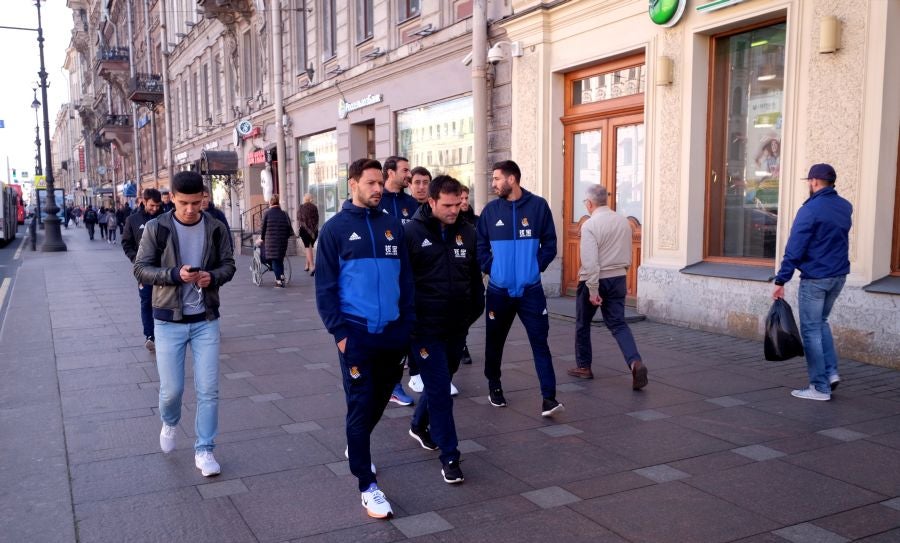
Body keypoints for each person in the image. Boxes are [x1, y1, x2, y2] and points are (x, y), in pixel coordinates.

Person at [316, 158, 414, 518]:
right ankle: (366, 484)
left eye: (379, 184)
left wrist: (406, 327)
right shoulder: (335, 230)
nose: (377, 190)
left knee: (377, 401)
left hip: (392, 335)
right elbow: (325, 289)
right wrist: (341, 335)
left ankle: (356, 445)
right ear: (353, 184)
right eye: (370, 183)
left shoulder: (392, 226)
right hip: (355, 335)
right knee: (360, 405)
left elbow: (405, 282)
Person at [134, 171, 236, 476]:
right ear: (172, 199)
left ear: (203, 198)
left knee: (208, 389)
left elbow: (229, 266)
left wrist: (212, 276)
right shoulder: (157, 228)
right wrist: (174, 275)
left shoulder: (216, 227)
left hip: (205, 320)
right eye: (183, 203)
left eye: (195, 203)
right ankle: (169, 421)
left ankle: (205, 449)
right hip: (168, 321)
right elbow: (140, 269)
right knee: (172, 390)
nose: (190, 209)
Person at [404, 175, 483, 484]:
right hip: (425, 329)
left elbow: (474, 279)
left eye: (458, 203)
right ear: (432, 202)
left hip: (457, 326)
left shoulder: (468, 232)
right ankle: (450, 456)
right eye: (448, 205)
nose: (455, 210)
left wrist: (472, 312)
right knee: (440, 391)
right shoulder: (410, 233)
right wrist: (409, 326)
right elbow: (403, 284)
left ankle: (418, 425)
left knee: (443, 379)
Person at [476, 160, 563, 417]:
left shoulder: (538, 207)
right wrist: (494, 268)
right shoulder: (491, 211)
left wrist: (534, 268)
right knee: (494, 342)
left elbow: (550, 243)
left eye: (496, 179)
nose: (493, 184)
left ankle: (549, 398)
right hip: (498, 292)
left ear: (511, 179)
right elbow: (480, 247)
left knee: (540, 342)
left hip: (530, 291)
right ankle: (494, 385)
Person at [772, 163, 851, 401]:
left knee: (811, 330)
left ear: (815, 182)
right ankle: (831, 373)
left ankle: (819, 387)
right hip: (838, 276)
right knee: (821, 323)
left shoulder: (810, 209)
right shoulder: (845, 206)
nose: (809, 184)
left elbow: (795, 247)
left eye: (809, 181)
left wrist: (781, 279)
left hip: (816, 279)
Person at [567, 185, 648, 390]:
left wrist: (593, 291)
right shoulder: (623, 222)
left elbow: (590, 262)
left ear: (589, 203)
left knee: (583, 323)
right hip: (618, 278)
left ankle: (584, 367)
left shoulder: (590, 225)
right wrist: (622, 273)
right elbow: (628, 255)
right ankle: (634, 362)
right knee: (618, 324)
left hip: (595, 280)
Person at [375, 156, 417, 406]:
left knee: (403, 334)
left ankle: (396, 383)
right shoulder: (378, 204)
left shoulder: (411, 204)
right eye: (405, 170)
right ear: (390, 173)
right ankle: (386, 384)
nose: (408, 174)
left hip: (409, 278)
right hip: (382, 280)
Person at [122, 189, 163, 352]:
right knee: (146, 302)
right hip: (144, 270)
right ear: (144, 201)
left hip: (164, 269)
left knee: (164, 301)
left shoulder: (165, 217)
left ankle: (163, 333)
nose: (155, 208)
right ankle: (150, 336)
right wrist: (136, 260)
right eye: (152, 205)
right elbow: (126, 243)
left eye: (158, 205)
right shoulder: (132, 219)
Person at [457, 185, 478, 365]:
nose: (464, 202)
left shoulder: (476, 221)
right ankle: (461, 343)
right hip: (458, 274)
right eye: (461, 198)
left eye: (466, 198)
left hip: (475, 274)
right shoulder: (451, 220)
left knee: (478, 306)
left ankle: (460, 335)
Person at [259, 194, 293, 288]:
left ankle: (278, 281)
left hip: (271, 241)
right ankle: (281, 275)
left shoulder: (267, 213)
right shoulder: (284, 213)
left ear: (270, 202)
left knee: (274, 260)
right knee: (280, 259)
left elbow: (263, 228)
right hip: (283, 240)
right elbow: (288, 227)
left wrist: (262, 238)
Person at [297, 193, 320, 275]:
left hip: (305, 230)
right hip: (314, 231)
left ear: (304, 199)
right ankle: (307, 265)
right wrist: (313, 230)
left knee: (308, 247)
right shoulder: (314, 207)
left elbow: (299, 219)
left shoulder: (301, 207)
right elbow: (317, 219)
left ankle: (312, 266)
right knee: (310, 246)